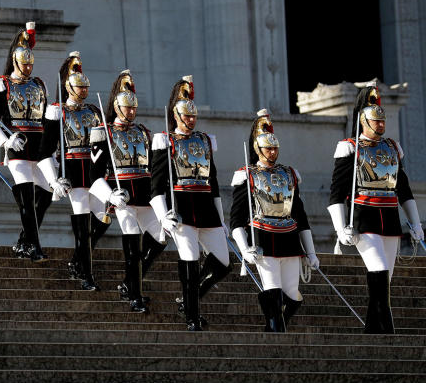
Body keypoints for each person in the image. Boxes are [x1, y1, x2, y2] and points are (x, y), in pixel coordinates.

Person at [328, 84, 423, 334]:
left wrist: (415, 223)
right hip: (364, 218)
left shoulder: (392, 147)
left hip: (390, 220)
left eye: (383, 121)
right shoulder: (350, 147)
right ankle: (388, 332)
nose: (381, 125)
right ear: (363, 120)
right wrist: (341, 228)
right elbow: (336, 193)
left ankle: (372, 332)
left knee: (385, 282)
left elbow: (403, 189)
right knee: (379, 271)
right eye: (375, 121)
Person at [149, 76, 232, 331]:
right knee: (190, 259)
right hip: (182, 210)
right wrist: (163, 216)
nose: (192, 120)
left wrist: (221, 218)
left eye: (194, 115)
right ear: (176, 114)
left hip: (206, 210)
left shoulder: (205, 141)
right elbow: (156, 186)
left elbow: (214, 184)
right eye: (187, 115)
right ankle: (192, 316)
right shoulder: (166, 141)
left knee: (224, 261)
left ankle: (188, 299)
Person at [230, 109, 319, 331]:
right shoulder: (247, 175)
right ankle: (277, 334)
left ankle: (272, 329)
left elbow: (300, 217)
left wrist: (311, 251)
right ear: (257, 149)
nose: (272, 152)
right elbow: (237, 220)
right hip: (262, 240)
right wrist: (244, 248)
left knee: (293, 296)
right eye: (268, 148)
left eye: (275, 148)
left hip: (289, 240)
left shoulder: (289, 174)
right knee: (273, 291)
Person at [89, 69, 159, 310]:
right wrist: (110, 195)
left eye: (133, 107)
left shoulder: (144, 133)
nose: (131, 111)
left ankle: (131, 282)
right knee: (132, 242)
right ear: (117, 107)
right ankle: (134, 296)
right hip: (123, 197)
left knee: (160, 237)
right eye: (127, 108)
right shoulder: (103, 133)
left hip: (145, 196)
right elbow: (93, 176)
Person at [0, 21, 49, 260]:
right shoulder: (2, 84)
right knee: (27, 195)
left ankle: (25, 239)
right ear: (15, 60)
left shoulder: (39, 85)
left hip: (39, 147)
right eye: (24, 63)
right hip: (16, 145)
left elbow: (44, 121)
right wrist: (6, 142)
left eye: (31, 63)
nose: (28, 68)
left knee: (46, 193)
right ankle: (35, 245)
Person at [37, 51, 103, 291]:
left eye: (85, 87)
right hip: (73, 170)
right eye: (79, 87)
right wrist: (54, 180)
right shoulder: (57, 111)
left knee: (102, 219)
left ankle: (78, 258)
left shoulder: (94, 111)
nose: (84, 91)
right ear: (68, 86)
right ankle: (86, 272)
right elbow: (45, 151)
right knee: (83, 220)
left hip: (94, 171)